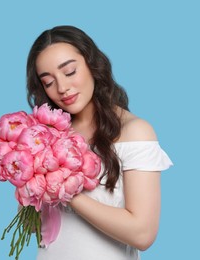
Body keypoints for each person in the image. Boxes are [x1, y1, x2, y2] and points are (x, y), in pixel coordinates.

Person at [26, 25, 173, 260]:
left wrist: (66, 192)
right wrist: (26, 178)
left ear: (93, 64)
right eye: (48, 82)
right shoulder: (48, 136)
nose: (62, 88)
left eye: (70, 71)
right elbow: (35, 229)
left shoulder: (134, 132)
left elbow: (143, 234)